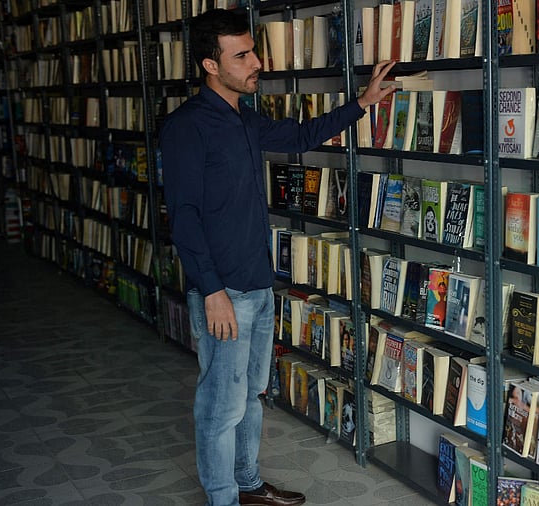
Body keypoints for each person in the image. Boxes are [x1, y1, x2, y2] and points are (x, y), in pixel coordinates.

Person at [159, 9, 395, 506]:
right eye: (240, 55)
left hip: (259, 286)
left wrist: (361, 103)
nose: (256, 62)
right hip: (224, 291)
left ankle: (246, 485)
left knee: (250, 397)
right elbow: (183, 218)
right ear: (210, 64)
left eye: (253, 51)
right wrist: (213, 291)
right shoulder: (186, 127)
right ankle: (222, 499)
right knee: (220, 407)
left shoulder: (245, 119)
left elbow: (301, 136)